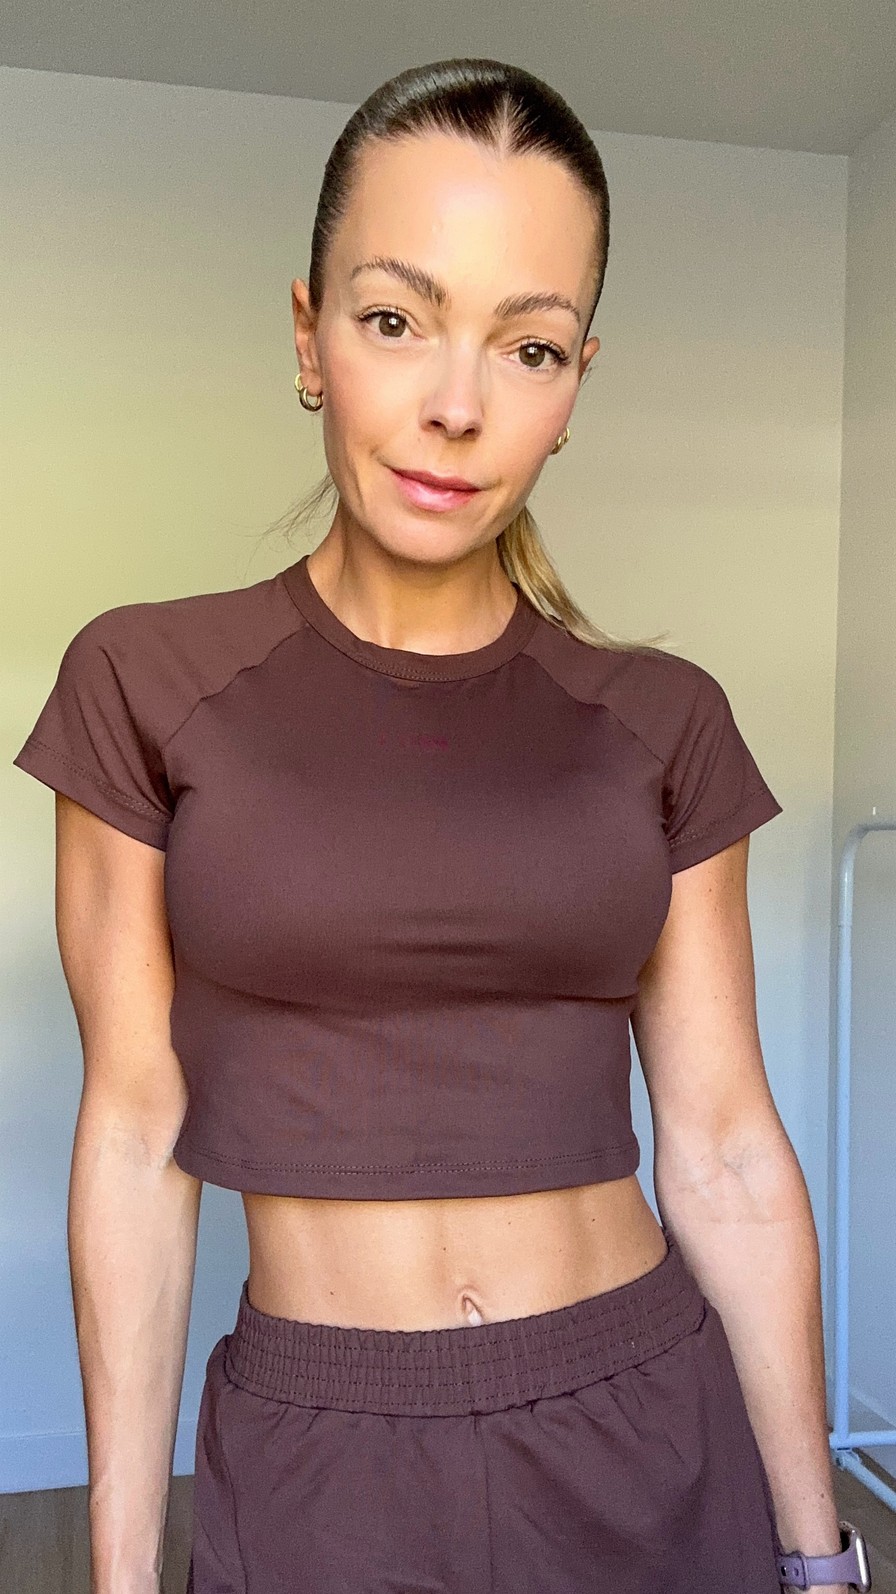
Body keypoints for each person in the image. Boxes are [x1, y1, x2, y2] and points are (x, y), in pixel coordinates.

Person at [11, 55, 870, 1594]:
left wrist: (820, 1562)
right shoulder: (145, 682)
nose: (457, 406)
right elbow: (135, 1137)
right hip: (323, 1455)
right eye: (396, 320)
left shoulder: (662, 719)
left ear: (576, 382)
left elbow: (729, 1148)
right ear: (309, 335)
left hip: (646, 1422)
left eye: (527, 347)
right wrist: (118, 1579)